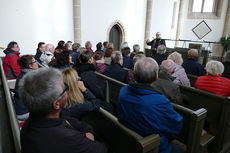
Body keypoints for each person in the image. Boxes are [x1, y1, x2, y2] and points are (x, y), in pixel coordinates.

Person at [19, 68, 107, 153]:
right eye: (65, 88)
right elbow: (101, 149)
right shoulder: (70, 139)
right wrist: (88, 134)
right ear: (56, 104)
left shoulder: (28, 124)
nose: (67, 90)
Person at [117, 57, 183, 153]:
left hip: (128, 139)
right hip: (153, 147)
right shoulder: (160, 101)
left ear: (134, 75)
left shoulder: (123, 90)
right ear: (156, 77)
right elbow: (176, 126)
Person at [15, 55, 38, 121]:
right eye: (35, 61)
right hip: (25, 112)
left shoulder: (23, 74)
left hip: (21, 109)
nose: (37, 63)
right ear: (30, 66)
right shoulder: (30, 78)